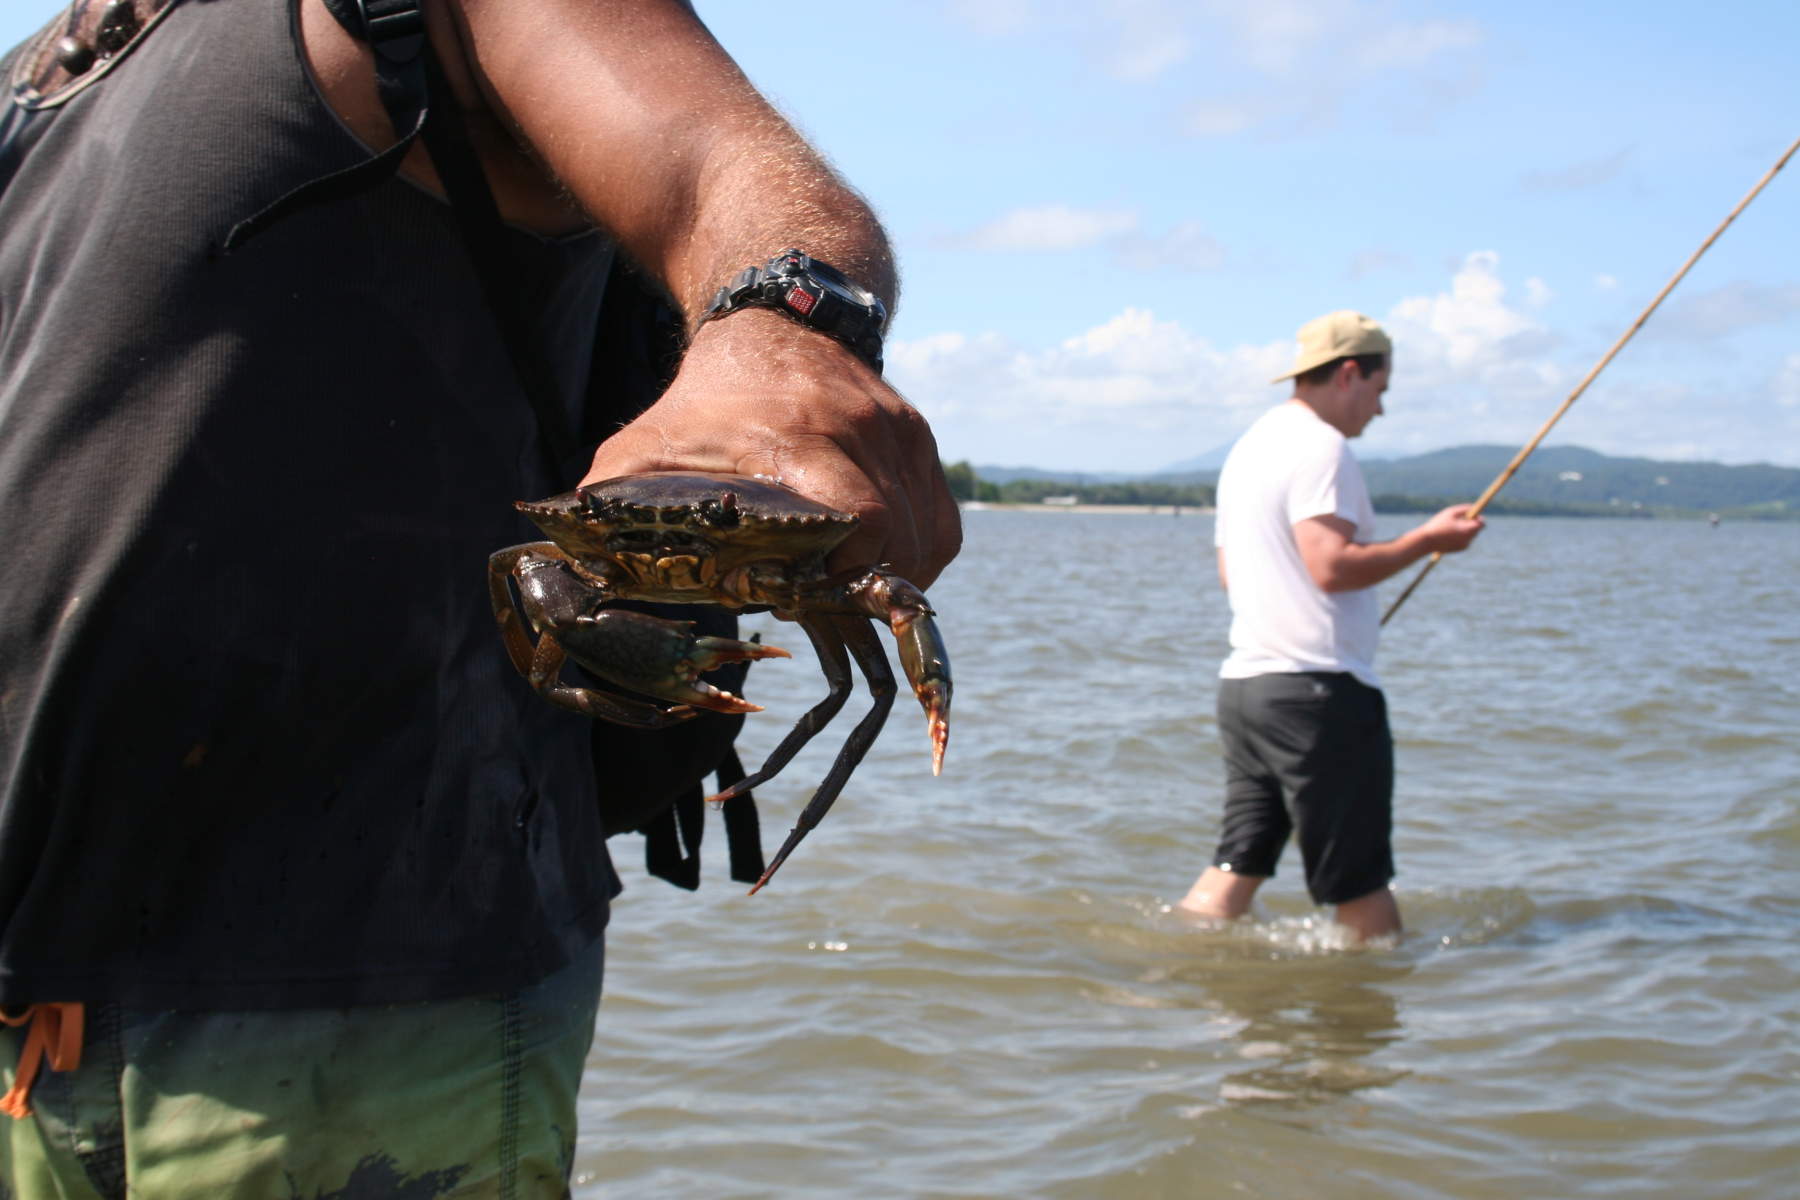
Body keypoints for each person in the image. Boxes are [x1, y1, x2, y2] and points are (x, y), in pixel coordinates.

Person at [0, 0, 957, 1192]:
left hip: (367, 996)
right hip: (34, 980)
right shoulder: (41, 77)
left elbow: (724, 167)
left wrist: (790, 329)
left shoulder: (383, 19)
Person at [1176, 311, 1482, 942]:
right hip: (1317, 697)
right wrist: (1429, 540)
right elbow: (1331, 566)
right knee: (1361, 886)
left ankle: (1169, 978)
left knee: (1237, 866)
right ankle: (1365, 1026)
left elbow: (1235, 575)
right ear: (1349, 374)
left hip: (1248, 691)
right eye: (1380, 390)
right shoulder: (1321, 447)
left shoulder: (1251, 447)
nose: (1380, 411)